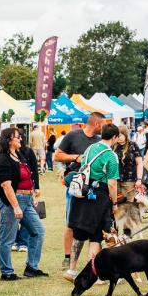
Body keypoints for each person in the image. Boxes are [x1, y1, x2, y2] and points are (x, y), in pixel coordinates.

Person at [64, 124, 120, 282]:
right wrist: (114, 203)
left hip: (82, 194)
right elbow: (112, 184)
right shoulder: (111, 156)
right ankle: (94, 273)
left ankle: (72, 270)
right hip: (99, 197)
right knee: (96, 235)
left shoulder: (89, 148)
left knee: (79, 233)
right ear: (115, 137)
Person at [0, 126, 46, 281]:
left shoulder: (19, 155)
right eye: (18, 137)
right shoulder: (3, 159)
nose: (21, 139)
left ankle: (32, 267)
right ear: (9, 139)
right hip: (12, 201)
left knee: (38, 231)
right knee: (7, 238)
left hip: (26, 199)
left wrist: (33, 191)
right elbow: (6, 185)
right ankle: (7, 272)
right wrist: (15, 206)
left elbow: (29, 175)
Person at [53, 112, 103, 272]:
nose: (103, 127)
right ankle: (68, 257)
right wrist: (76, 158)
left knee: (92, 223)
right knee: (71, 222)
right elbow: (57, 156)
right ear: (95, 124)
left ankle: (93, 261)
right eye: (101, 124)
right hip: (76, 185)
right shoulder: (73, 136)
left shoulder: (99, 140)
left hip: (94, 187)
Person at [114, 125, 145, 204]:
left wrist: (139, 179)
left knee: (129, 206)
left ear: (125, 134)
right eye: (116, 136)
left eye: (120, 135)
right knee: (116, 205)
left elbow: (139, 163)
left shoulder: (133, 145)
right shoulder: (112, 146)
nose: (118, 137)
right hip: (115, 181)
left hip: (129, 182)